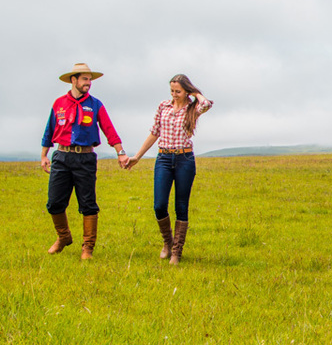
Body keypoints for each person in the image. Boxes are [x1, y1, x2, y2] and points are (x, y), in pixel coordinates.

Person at [41, 62, 130, 259]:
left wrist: (121, 152)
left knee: (88, 203)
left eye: (90, 80)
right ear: (73, 80)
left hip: (85, 158)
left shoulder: (96, 104)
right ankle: (63, 237)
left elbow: (109, 129)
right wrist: (44, 155)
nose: (88, 83)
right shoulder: (58, 104)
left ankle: (87, 247)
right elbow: (49, 130)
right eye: (85, 79)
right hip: (61, 156)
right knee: (54, 202)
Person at [126, 74, 213, 265]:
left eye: (178, 91)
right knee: (159, 205)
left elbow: (206, 105)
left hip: (184, 159)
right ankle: (167, 242)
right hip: (164, 158)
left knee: (181, 206)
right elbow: (154, 132)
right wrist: (137, 157)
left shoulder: (193, 108)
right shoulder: (163, 106)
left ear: (186, 91)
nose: (174, 94)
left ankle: (177, 252)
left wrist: (196, 93)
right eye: (172, 91)